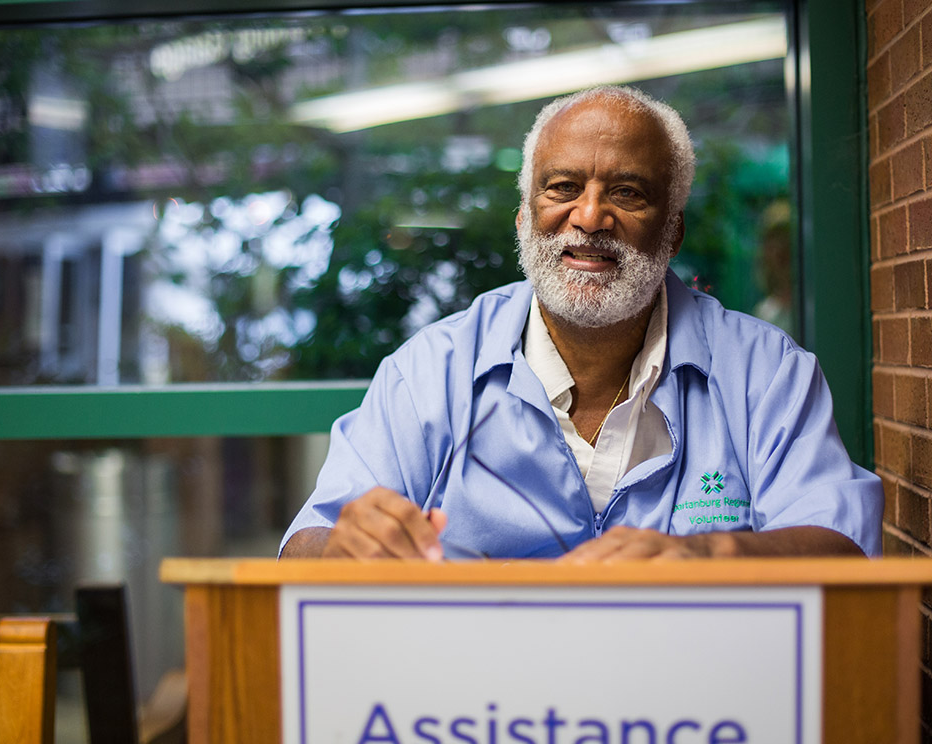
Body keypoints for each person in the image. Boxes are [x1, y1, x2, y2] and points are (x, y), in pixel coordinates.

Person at [280, 84, 882, 561]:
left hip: (691, 707)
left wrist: (706, 555)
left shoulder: (764, 374)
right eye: (563, 187)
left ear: (672, 232)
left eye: (626, 193)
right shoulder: (431, 371)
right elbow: (308, 545)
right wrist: (349, 545)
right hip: (477, 708)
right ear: (523, 220)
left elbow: (843, 547)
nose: (590, 216)